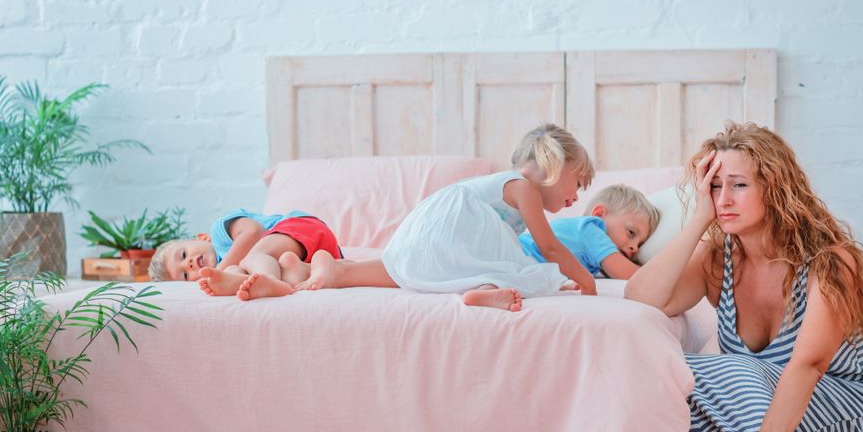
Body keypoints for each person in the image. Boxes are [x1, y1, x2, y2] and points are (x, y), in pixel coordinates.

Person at [624, 121, 863, 432]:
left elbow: (808, 364)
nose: (724, 199)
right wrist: (699, 218)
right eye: (715, 187)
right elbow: (641, 299)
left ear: (775, 187)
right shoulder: (719, 260)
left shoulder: (831, 261)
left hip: (850, 415)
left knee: (726, 369)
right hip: (765, 420)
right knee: (663, 378)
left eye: (739, 185)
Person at [299, 123, 597, 311]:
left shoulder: (511, 187)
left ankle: (338, 270)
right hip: (454, 233)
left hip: (437, 230)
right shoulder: (523, 188)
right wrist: (585, 279)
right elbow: (550, 247)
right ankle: (483, 291)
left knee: (401, 270)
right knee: (503, 269)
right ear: (554, 162)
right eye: (579, 182)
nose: (578, 196)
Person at [148, 209, 343, 301]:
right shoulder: (227, 270)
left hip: (305, 230)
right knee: (238, 271)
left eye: (183, 254)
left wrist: (220, 269)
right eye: (184, 275)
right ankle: (268, 280)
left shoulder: (219, 232)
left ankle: (269, 280)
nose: (188, 264)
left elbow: (253, 233)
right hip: (320, 262)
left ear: (201, 237)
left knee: (252, 258)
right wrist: (227, 274)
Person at [519, 184, 659, 280]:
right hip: (518, 254)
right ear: (599, 215)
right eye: (631, 233)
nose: (634, 247)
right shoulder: (591, 230)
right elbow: (627, 273)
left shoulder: (589, 250)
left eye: (640, 244)